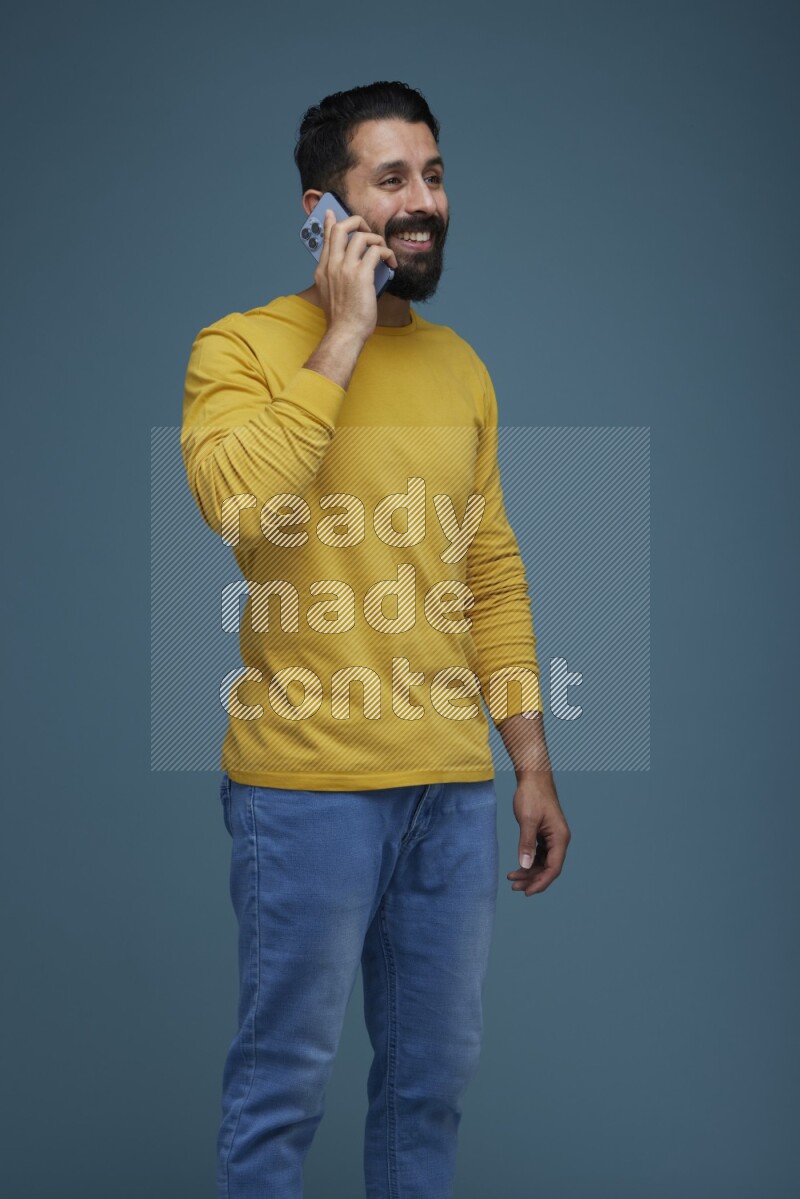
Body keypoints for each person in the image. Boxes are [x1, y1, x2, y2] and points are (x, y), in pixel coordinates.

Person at [181, 80, 571, 1199]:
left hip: (447, 786)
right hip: (304, 788)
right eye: (390, 178)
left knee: (428, 1084)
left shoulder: (459, 370)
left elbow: (486, 568)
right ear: (324, 208)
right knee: (281, 1082)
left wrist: (528, 760)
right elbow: (241, 504)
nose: (422, 201)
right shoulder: (241, 350)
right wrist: (344, 332)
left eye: (433, 174)